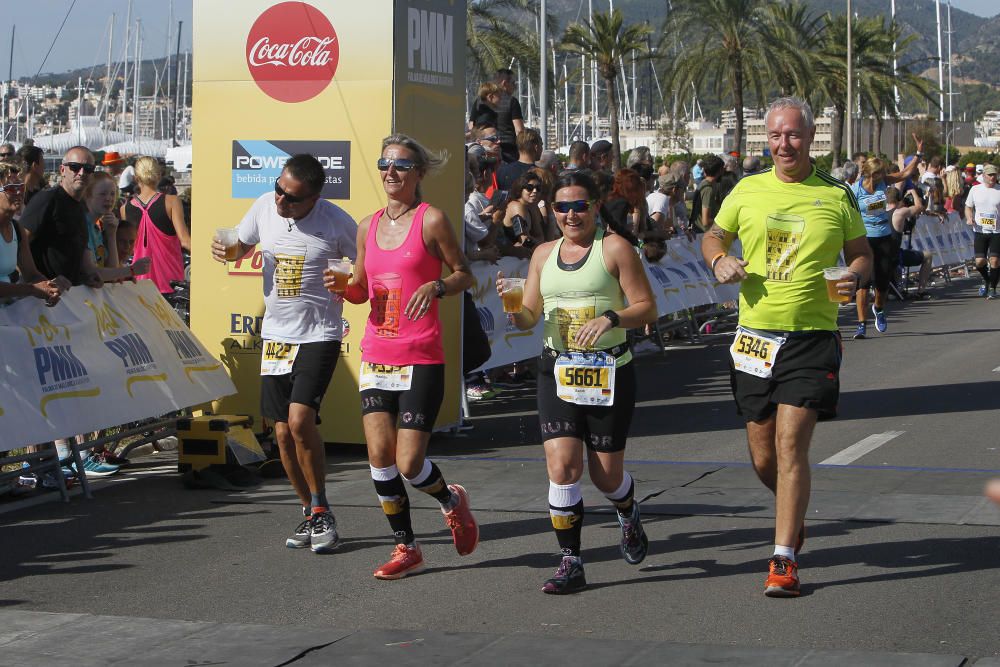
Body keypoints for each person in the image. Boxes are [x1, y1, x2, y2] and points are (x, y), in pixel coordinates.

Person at [701, 97, 872, 597]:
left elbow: (861, 255)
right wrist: (718, 262)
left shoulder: (836, 194)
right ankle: (791, 514)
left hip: (811, 337)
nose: (783, 144)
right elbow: (713, 235)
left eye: (793, 135)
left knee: (790, 445)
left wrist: (854, 277)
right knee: (762, 456)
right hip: (754, 338)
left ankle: (782, 560)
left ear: (810, 136)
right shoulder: (746, 189)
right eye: (775, 135)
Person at [497, 170, 656, 594]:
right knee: (562, 467)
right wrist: (516, 314)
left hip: (609, 372)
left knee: (606, 478)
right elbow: (531, 314)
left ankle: (627, 511)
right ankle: (571, 560)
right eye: (562, 206)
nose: (571, 214)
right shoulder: (542, 254)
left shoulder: (616, 249)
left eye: (579, 206)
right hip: (557, 371)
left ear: (596, 207)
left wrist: (612, 317)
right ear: (551, 209)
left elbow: (648, 308)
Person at [329, 134, 478, 580]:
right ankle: (406, 547)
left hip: (420, 356)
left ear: (418, 174)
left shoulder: (431, 221)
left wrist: (436, 286)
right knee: (379, 457)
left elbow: (464, 274)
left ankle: (450, 499)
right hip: (377, 352)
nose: (390, 173)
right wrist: (343, 287)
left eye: (400, 166)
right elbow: (359, 289)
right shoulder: (366, 226)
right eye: (384, 164)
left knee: (410, 463)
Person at [211, 153, 357, 554]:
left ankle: (323, 506)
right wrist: (228, 250)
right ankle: (310, 511)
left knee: (299, 420)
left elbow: (368, 269)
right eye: (278, 189)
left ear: (314, 198)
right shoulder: (263, 205)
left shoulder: (336, 222)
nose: (280, 201)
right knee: (279, 431)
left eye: (291, 198)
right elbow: (240, 245)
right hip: (276, 336)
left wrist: (350, 283)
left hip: (320, 333)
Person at [850, 149, 922, 339]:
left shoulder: (884, 182)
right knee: (863, 284)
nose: (880, 176)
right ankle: (861, 325)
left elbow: (905, 173)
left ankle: (879, 309)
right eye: (877, 173)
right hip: (864, 239)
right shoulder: (855, 190)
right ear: (868, 173)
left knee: (882, 283)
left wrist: (918, 155)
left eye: (882, 173)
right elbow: (846, 213)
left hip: (884, 237)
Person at [20, 146, 104, 288]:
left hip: (70, 298)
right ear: (62, 170)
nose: (82, 173)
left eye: (88, 168)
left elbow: (79, 249)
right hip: (41, 300)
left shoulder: (81, 206)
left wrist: (88, 275)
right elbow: (19, 243)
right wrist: (39, 282)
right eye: (75, 167)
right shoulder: (47, 199)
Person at [0, 161, 69, 304]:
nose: (19, 192)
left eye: (21, 187)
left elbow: (31, 274)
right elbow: (31, 285)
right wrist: (31, 289)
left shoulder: (17, 228)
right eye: (11, 188)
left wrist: (51, 287)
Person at [122, 156, 190, 294]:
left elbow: (128, 249)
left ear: (136, 178)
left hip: (139, 284)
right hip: (171, 282)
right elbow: (185, 241)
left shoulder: (125, 208)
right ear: (159, 175)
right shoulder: (171, 201)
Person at [886, 185, 934, 299]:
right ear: (899, 199)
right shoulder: (899, 213)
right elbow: (919, 207)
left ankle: (894, 288)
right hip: (894, 256)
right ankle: (921, 291)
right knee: (928, 255)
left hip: (879, 255)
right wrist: (912, 191)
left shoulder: (877, 212)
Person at [964, 163, 1000, 299]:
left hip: (997, 231)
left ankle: (992, 288)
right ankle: (988, 279)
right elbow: (968, 207)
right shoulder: (975, 189)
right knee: (979, 262)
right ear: (983, 175)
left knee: (995, 261)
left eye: (994, 175)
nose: (992, 177)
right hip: (979, 230)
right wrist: (969, 217)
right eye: (990, 175)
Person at [502, 171, 547, 250]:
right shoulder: (517, 206)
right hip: (509, 255)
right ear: (520, 189)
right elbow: (526, 242)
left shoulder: (531, 206)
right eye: (529, 188)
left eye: (538, 188)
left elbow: (540, 236)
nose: (535, 191)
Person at [494, 69, 525, 163]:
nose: (515, 86)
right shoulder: (512, 102)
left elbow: (472, 126)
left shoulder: (479, 102)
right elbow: (519, 131)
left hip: (486, 150)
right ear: (504, 83)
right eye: (513, 83)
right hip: (509, 152)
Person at [691, 155, 725, 232]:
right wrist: (723, 221)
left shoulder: (705, 184)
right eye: (723, 169)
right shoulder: (708, 189)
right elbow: (705, 221)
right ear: (720, 171)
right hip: (704, 233)